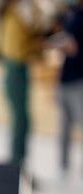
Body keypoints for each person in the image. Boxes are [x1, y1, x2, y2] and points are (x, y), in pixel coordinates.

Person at [0, 0, 47, 167]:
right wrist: (40, 46)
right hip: (15, 72)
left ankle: (19, 165)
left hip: (17, 71)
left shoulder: (15, 17)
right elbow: (19, 50)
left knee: (22, 121)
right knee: (21, 122)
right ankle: (17, 166)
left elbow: (32, 31)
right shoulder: (13, 19)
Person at [49, 0, 83, 177]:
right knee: (63, 129)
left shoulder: (79, 17)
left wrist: (54, 44)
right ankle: (62, 167)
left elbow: (70, 46)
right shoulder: (71, 15)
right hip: (64, 80)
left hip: (78, 82)